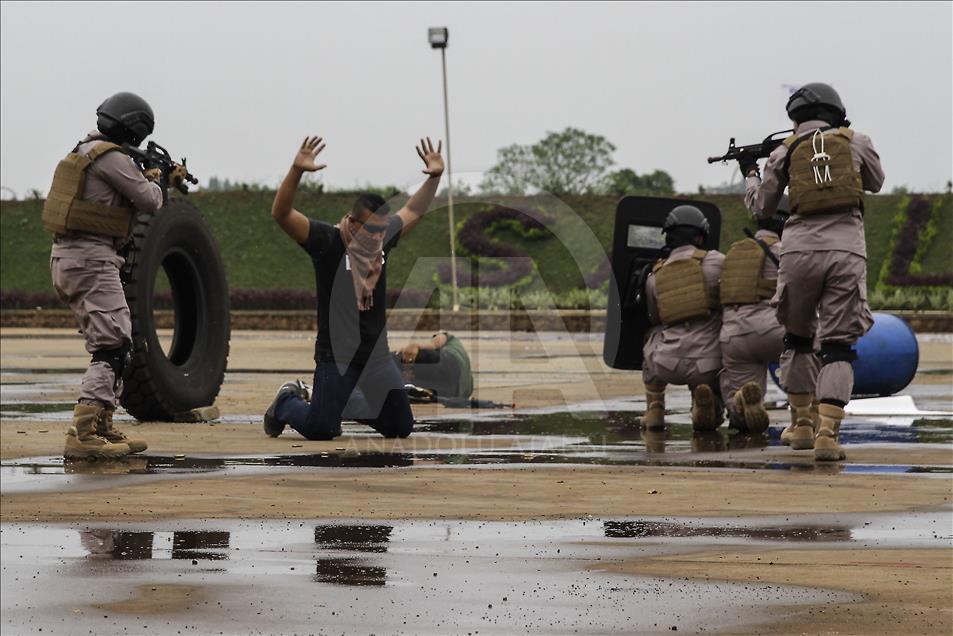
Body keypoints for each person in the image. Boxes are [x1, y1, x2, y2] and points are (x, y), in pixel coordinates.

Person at [264, 135, 445, 440]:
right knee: (321, 428)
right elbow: (281, 214)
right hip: (337, 357)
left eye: (382, 230)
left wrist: (435, 177)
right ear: (354, 222)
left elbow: (414, 210)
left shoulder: (382, 240)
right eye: (371, 229)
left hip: (376, 358)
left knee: (400, 427)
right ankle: (286, 402)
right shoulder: (328, 242)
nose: (377, 237)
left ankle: (341, 404)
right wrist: (296, 171)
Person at [741, 82, 884, 461]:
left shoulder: (785, 151)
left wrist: (750, 174)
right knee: (837, 346)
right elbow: (876, 182)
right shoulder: (856, 141)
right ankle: (827, 434)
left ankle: (802, 424)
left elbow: (761, 208)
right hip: (845, 250)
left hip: (798, 252)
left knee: (798, 339)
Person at [44, 92, 184, 459]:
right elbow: (150, 201)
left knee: (115, 343)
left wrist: (149, 175)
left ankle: (102, 424)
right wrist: (158, 180)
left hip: (73, 258)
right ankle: (84, 431)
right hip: (90, 260)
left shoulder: (85, 151)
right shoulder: (112, 158)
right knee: (113, 346)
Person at [640, 205, 726, 432]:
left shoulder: (655, 275)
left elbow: (655, 318)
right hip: (708, 365)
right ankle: (710, 405)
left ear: (668, 237)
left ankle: (655, 408)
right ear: (701, 237)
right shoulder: (718, 262)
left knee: (652, 334)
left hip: (667, 365)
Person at [717, 195, 797, 435]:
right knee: (815, 347)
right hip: (775, 330)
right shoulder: (788, 252)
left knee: (742, 419)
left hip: (734, 336)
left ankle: (739, 401)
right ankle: (804, 414)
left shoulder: (732, 254)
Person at [394, 331, 474, 400]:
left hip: (451, 365)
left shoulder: (450, 339)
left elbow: (434, 344)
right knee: (411, 387)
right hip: (456, 390)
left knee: (400, 361)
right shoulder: (467, 385)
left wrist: (415, 346)